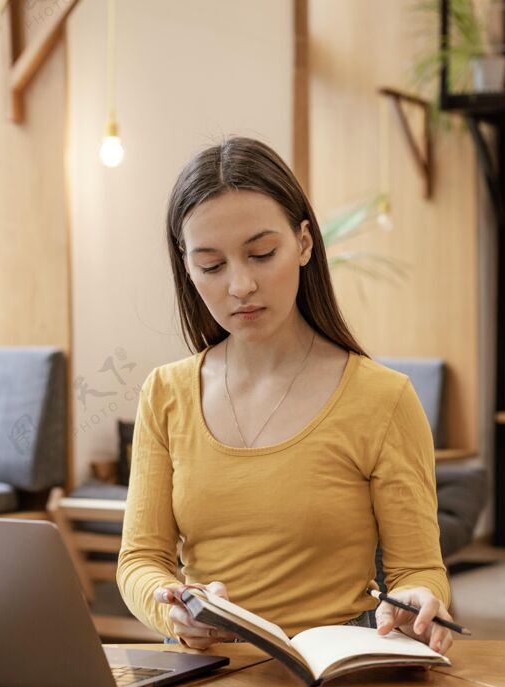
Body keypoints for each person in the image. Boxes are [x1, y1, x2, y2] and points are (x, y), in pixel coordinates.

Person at [117, 137, 454, 655]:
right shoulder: (166, 392)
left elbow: (418, 570)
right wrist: (174, 606)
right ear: (186, 265)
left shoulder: (383, 398)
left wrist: (417, 600)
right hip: (202, 674)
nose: (241, 285)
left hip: (335, 665)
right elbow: (140, 560)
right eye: (211, 265)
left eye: (261, 254)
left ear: (303, 243)